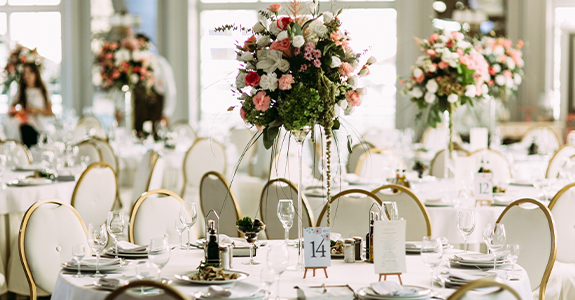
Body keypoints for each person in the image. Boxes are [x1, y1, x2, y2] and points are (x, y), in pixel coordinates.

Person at [126, 33, 176, 139]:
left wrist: (167, 113)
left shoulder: (160, 63)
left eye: (142, 44)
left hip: (155, 111)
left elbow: (170, 90)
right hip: (137, 114)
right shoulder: (130, 67)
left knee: (155, 138)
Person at [7, 63, 54, 148]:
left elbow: (50, 112)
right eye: (24, 73)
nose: (26, 76)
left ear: (35, 74)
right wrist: (20, 112)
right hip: (27, 126)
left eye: (29, 73)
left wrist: (36, 110)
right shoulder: (21, 92)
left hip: (40, 126)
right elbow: (11, 110)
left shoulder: (43, 91)